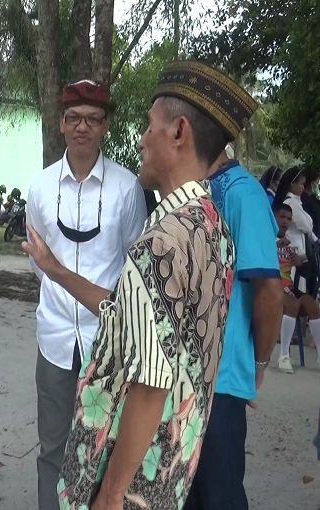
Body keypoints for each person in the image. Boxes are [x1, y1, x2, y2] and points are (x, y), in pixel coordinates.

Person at [23, 60, 237, 509]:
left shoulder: (158, 242)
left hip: (141, 471)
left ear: (178, 132)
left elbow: (151, 381)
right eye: (73, 117)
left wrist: (113, 491)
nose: (141, 138)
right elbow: (136, 312)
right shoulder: (212, 225)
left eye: (148, 126)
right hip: (176, 460)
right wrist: (57, 273)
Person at [25, 79, 147, 510]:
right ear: (61, 123)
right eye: (74, 118)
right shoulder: (41, 187)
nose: (82, 127)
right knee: (53, 448)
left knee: (107, 447)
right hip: (55, 339)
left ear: (105, 125)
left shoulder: (126, 187)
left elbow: (135, 265)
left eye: (93, 119)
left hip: (109, 340)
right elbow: (37, 260)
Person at [193, 80, 282, 509]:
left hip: (221, 384)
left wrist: (258, 364)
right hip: (184, 380)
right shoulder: (193, 190)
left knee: (220, 496)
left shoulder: (243, 194)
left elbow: (269, 291)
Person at [275, 203, 320, 372]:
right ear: (274, 218)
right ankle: (283, 355)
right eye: (282, 217)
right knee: (293, 304)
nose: (285, 221)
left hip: (289, 287)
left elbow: (308, 273)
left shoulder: (292, 242)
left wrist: (299, 264)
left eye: (288, 219)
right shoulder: (265, 239)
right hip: (271, 287)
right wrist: (275, 248)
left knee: (312, 305)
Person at [274, 166, 319, 296]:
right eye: (301, 184)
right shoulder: (291, 203)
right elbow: (307, 226)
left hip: (299, 252)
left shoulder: (297, 202)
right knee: (298, 289)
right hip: (294, 254)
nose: (303, 187)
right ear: (292, 184)